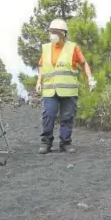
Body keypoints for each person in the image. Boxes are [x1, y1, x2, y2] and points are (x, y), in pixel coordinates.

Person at [35, 18, 96, 154]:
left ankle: (65, 143)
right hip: (50, 90)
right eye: (51, 32)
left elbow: (84, 63)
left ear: (63, 34)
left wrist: (90, 79)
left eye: (55, 32)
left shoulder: (73, 48)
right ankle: (46, 143)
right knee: (48, 115)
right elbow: (41, 65)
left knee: (67, 117)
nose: (52, 35)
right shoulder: (46, 48)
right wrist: (39, 81)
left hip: (68, 90)